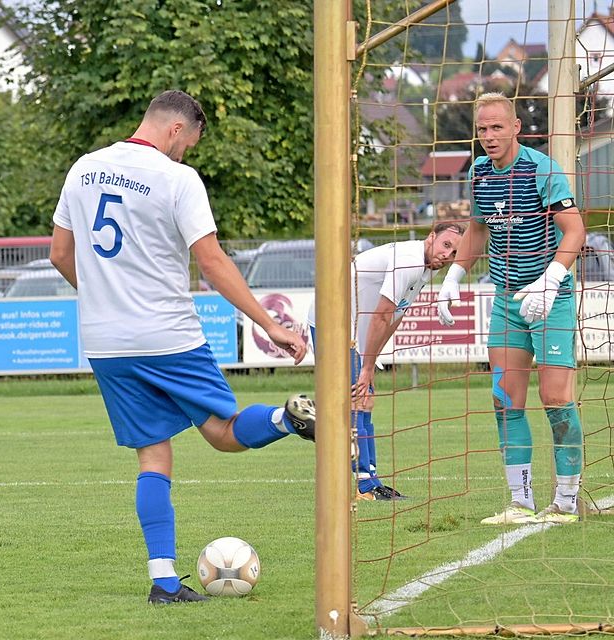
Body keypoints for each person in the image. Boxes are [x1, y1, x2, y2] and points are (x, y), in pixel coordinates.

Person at [49, 90, 316, 605]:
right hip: (167, 335)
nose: (185, 154)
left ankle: (165, 582)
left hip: (106, 342)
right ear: (176, 130)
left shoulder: (83, 168)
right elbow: (212, 263)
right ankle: (290, 418)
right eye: (188, 144)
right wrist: (272, 324)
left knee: (152, 453)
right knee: (223, 433)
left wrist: (108, 296)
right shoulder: (176, 179)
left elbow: (61, 253)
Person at [436, 92, 586, 525]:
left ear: (516, 127)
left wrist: (552, 279)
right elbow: (477, 231)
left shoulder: (542, 170)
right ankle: (521, 503)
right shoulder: (480, 172)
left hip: (550, 298)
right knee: (505, 400)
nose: (488, 136)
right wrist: (451, 279)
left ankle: (567, 501)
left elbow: (574, 230)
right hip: (506, 300)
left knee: (556, 396)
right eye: (482, 129)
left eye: (497, 127)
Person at [307, 223, 465, 500]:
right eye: (446, 245)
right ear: (431, 238)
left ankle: (371, 480)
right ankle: (360, 484)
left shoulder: (425, 269)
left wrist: (371, 362)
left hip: (354, 328)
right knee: (356, 399)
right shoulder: (408, 262)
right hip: (330, 320)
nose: (447, 255)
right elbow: (382, 314)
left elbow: (394, 317)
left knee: (365, 399)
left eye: (455, 253)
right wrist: (366, 368)